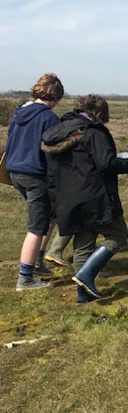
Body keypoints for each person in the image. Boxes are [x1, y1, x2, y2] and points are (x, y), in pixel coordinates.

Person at [42, 95, 128, 302]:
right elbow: (106, 163)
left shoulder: (59, 131)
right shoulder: (94, 133)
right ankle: (86, 275)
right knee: (119, 234)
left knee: (83, 244)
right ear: (100, 113)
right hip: (94, 196)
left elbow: (52, 171)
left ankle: (83, 296)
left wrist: (54, 201)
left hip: (68, 198)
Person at [6, 73, 64, 291]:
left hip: (15, 171)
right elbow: (52, 152)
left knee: (50, 216)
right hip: (34, 175)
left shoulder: (19, 112)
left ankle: (37, 261)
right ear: (56, 96)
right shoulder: (48, 118)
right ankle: (25, 278)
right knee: (36, 227)